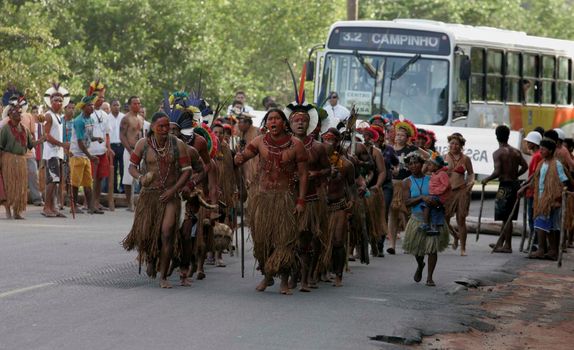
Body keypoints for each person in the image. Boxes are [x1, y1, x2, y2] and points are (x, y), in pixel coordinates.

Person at [234, 109, 308, 295]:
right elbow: (243, 157)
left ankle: (283, 280)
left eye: (277, 119)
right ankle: (267, 276)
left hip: (285, 198)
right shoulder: (259, 141)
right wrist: (238, 157)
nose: (273, 122)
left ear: (284, 123)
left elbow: (303, 174)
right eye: (270, 119)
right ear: (266, 123)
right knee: (261, 242)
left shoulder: (296, 145)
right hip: (262, 198)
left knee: (284, 241)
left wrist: (300, 200)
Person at [122, 111, 191, 288]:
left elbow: (187, 171)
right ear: (152, 127)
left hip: (170, 195)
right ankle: (151, 257)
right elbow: (132, 167)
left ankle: (163, 276)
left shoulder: (178, 144)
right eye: (160, 126)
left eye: (167, 126)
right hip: (149, 196)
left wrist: (174, 190)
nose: (164, 129)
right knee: (146, 233)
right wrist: (141, 177)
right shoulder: (143, 144)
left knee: (167, 233)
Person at [286, 102, 330, 291]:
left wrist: (316, 174)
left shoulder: (319, 147)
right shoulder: (284, 144)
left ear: (310, 124)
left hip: (310, 199)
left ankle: (304, 278)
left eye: (304, 121)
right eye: (296, 121)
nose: (300, 124)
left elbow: (328, 169)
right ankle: (289, 276)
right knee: (288, 240)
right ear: (290, 124)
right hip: (286, 198)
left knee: (305, 239)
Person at [401, 153, 449, 287]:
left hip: (433, 218)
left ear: (422, 165)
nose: (413, 165)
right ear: (407, 166)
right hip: (417, 218)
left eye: (416, 163)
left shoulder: (432, 178)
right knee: (418, 250)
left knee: (432, 248)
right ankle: (420, 264)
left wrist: (437, 203)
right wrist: (422, 198)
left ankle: (430, 277)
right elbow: (406, 202)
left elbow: (442, 193)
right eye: (410, 164)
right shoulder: (407, 182)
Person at [519, 137, 571, 260]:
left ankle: (549, 251)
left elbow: (565, 182)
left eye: (543, 149)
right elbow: (536, 180)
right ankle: (547, 250)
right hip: (541, 199)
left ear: (551, 150)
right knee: (543, 225)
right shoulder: (542, 163)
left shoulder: (557, 164)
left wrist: (558, 198)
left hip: (553, 200)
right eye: (540, 148)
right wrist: (525, 187)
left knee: (551, 226)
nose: (540, 151)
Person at [482, 125, 527, 253]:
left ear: (496, 136)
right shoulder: (516, 152)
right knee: (507, 216)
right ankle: (501, 242)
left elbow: (497, 172)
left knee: (506, 217)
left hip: (505, 186)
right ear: (508, 136)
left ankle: (507, 245)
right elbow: (525, 166)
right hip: (514, 184)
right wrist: (515, 176)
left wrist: (486, 179)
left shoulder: (498, 153)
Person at [0, 93, 45, 219]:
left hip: (21, 160)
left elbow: (30, 145)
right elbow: (0, 146)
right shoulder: (5, 129)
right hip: (8, 160)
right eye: (15, 112)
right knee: (9, 186)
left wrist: (41, 140)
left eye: (19, 113)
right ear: (9, 115)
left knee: (20, 187)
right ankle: (8, 210)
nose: (18, 114)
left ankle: (17, 211)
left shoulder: (24, 129)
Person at [322, 128, 355, 286]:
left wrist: (352, 200)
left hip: (338, 206)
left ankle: (338, 275)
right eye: (325, 139)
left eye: (331, 140)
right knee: (319, 240)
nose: (328, 142)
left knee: (337, 241)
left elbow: (351, 185)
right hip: (319, 206)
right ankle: (321, 271)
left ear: (337, 142)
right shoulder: (316, 159)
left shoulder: (347, 164)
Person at [387, 119, 418, 255]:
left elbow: (427, 156)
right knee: (392, 215)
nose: (399, 137)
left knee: (408, 214)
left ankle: (410, 242)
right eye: (398, 134)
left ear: (407, 138)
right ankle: (392, 245)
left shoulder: (411, 149)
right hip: (392, 185)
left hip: (407, 185)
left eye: (402, 135)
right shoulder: (389, 149)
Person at [69, 95, 103, 215]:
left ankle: (91, 206)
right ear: (83, 107)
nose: (92, 107)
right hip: (77, 154)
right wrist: (91, 156)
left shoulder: (90, 120)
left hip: (85, 154)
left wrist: (96, 138)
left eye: (92, 105)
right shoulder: (79, 121)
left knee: (88, 182)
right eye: (89, 105)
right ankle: (73, 206)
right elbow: (80, 142)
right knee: (75, 183)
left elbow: (88, 137)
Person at [42, 83, 70, 218]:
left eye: (60, 100)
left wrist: (64, 148)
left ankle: (53, 207)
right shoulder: (48, 115)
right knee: (52, 180)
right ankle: (46, 207)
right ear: (50, 102)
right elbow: (46, 136)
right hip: (51, 153)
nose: (58, 102)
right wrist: (62, 144)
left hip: (58, 152)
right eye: (55, 100)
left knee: (56, 181)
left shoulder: (59, 116)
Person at [444, 133, 475, 256]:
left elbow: (471, 173)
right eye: (452, 143)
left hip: (462, 191)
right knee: (444, 218)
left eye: (456, 143)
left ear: (461, 145)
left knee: (461, 220)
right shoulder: (444, 157)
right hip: (448, 191)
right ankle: (455, 235)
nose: (454, 146)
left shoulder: (466, 159)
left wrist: (471, 182)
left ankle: (463, 248)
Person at [88, 81, 111, 211]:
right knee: (91, 178)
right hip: (91, 151)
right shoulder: (88, 113)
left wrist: (108, 148)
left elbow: (107, 133)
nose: (101, 100)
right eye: (99, 97)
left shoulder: (105, 115)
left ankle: (96, 201)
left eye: (103, 98)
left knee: (100, 177)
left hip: (102, 151)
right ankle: (89, 202)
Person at [120, 96, 144, 211]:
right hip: (130, 150)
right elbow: (122, 135)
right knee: (128, 177)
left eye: (139, 103)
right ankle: (129, 204)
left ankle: (141, 202)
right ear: (129, 105)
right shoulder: (126, 118)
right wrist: (130, 150)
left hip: (141, 151)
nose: (137, 105)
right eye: (134, 103)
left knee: (142, 174)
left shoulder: (141, 118)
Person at [521, 131, 543, 252]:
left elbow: (534, 174)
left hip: (533, 191)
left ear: (534, 144)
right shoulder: (537, 154)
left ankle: (534, 244)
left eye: (529, 142)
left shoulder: (536, 156)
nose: (527, 144)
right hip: (533, 189)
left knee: (532, 218)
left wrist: (525, 185)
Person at [421, 152, 450, 234]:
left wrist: (435, 192)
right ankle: (434, 227)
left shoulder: (442, 174)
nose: (428, 166)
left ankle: (425, 223)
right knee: (433, 210)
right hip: (434, 195)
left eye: (430, 165)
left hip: (439, 197)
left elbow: (446, 185)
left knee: (426, 203)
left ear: (436, 166)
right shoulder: (434, 174)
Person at [108, 99, 125, 193]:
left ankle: (122, 188)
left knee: (123, 168)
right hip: (111, 146)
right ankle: (113, 189)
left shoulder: (124, 117)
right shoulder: (107, 118)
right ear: (110, 107)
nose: (116, 107)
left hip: (122, 146)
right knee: (112, 169)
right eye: (114, 105)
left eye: (118, 105)